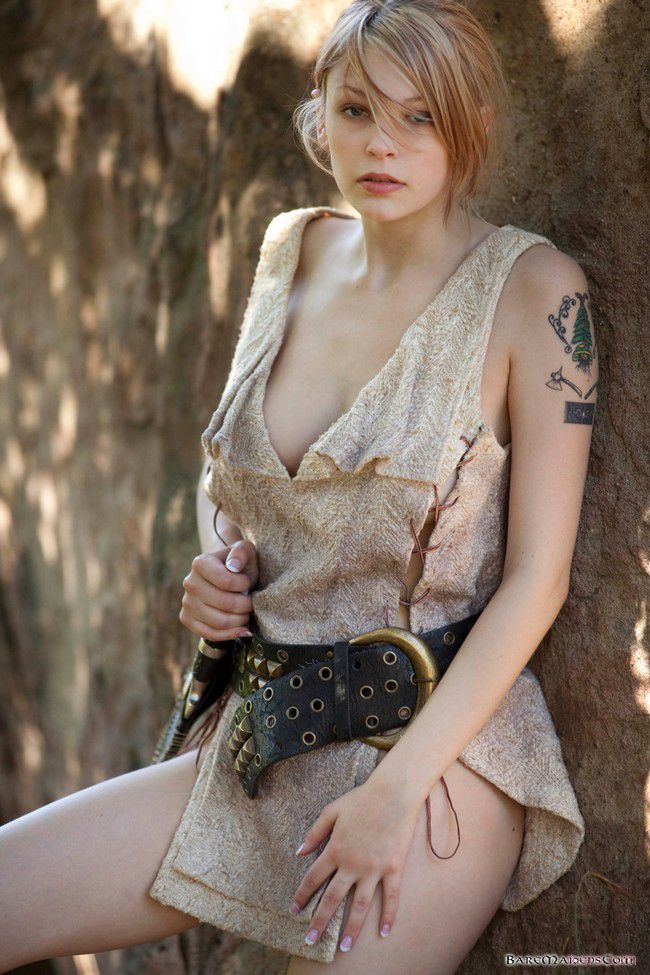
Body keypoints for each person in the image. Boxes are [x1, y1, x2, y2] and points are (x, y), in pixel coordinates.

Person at [0, 1, 596, 971]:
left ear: (473, 126)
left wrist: (395, 791)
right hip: (266, 729)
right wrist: (219, 566)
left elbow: (539, 578)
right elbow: (234, 476)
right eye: (357, 110)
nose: (382, 144)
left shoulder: (536, 291)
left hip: (437, 761)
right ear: (320, 114)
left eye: (420, 117)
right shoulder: (292, 248)